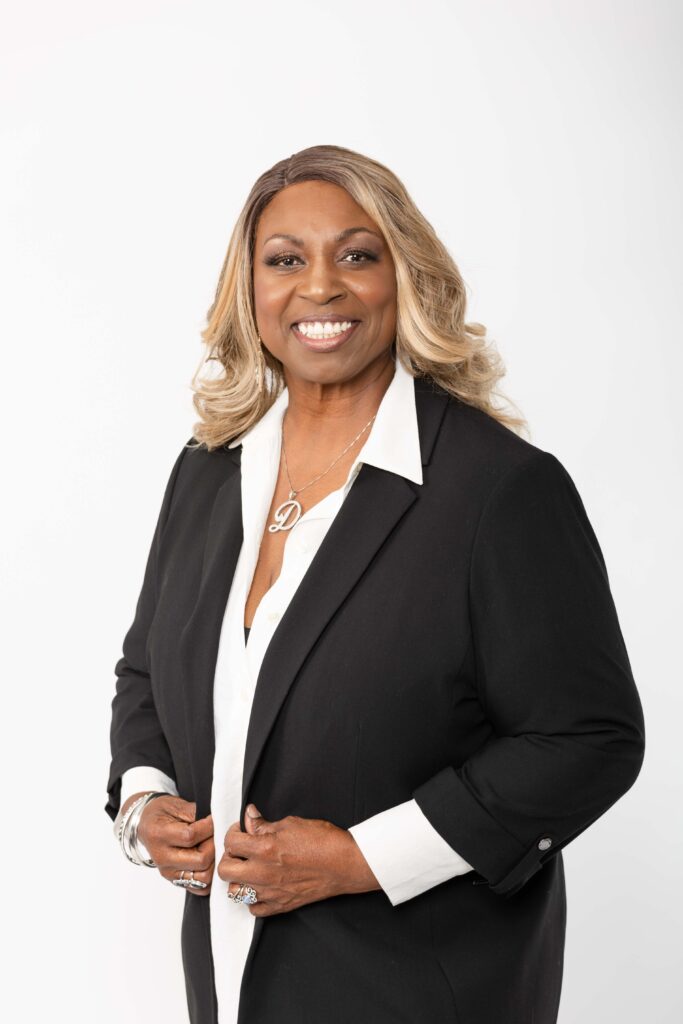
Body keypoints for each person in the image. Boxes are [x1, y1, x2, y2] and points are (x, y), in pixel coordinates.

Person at [105, 144, 645, 1024]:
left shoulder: (496, 489)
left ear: (406, 277)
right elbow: (144, 675)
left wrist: (359, 858)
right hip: (231, 983)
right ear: (249, 291)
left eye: (356, 255)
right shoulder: (207, 473)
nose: (319, 287)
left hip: (422, 989)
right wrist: (145, 799)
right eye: (284, 261)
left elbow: (587, 737)